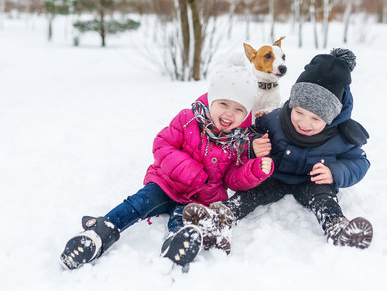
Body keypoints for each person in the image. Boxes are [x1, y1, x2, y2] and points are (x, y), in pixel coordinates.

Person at [60, 66, 274, 269]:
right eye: (224, 104)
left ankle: (177, 242)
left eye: (239, 109)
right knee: (137, 203)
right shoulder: (188, 119)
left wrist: (254, 170)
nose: (230, 114)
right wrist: (189, 170)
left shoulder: (241, 142)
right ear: (211, 100)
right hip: (165, 184)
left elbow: (232, 180)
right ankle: (98, 233)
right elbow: (163, 144)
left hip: (199, 198)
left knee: (183, 218)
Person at [181, 48, 373, 251]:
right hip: (274, 176)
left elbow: (359, 162)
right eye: (299, 112)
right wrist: (254, 146)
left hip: (312, 182)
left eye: (316, 119)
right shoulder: (274, 120)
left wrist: (335, 172)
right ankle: (220, 217)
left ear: (331, 118)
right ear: (291, 104)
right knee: (251, 193)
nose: (304, 123)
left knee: (325, 199)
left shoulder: (340, 137)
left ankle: (337, 227)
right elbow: (249, 136)